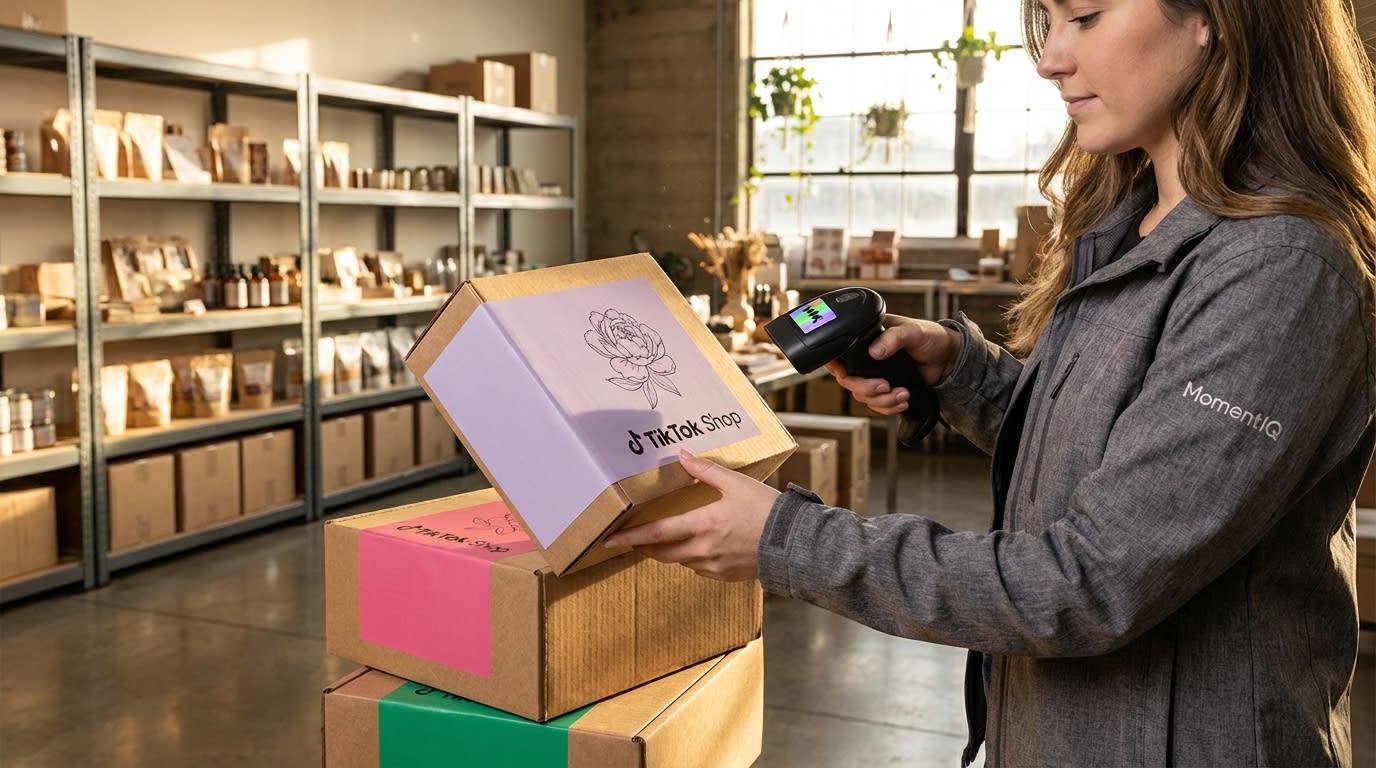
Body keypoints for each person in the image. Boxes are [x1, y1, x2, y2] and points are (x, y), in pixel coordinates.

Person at [603, 0, 1376, 764]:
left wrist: (789, 540)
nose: (1049, 58)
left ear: (1216, 17)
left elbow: (1089, 581)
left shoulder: (1280, 271)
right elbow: (1112, 455)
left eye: (1087, 16)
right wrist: (961, 371)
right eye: (1049, 20)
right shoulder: (1129, 226)